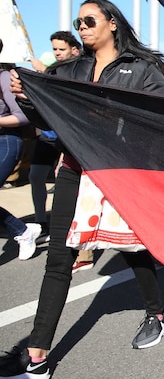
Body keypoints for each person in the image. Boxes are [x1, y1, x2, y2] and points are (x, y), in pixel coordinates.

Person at [0, 0, 164, 379]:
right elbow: (45, 119)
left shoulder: (142, 70)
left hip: (119, 175)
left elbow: (163, 121)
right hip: (74, 171)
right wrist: (29, 98)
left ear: (112, 23)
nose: (82, 26)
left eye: (90, 19)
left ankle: (156, 313)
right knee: (59, 260)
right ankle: (37, 355)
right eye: (78, 21)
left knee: (131, 248)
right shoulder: (70, 70)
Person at [29, 31, 82, 243]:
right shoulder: (50, 71)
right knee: (35, 176)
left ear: (74, 50)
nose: (58, 53)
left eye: (62, 49)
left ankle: (70, 228)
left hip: (67, 139)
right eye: (55, 49)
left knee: (66, 183)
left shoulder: (78, 72)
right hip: (47, 136)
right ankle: (41, 222)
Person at [0, 53, 40, 261]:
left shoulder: (4, 76)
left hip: (5, 142)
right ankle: (23, 230)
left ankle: (23, 232)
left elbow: (22, 116)